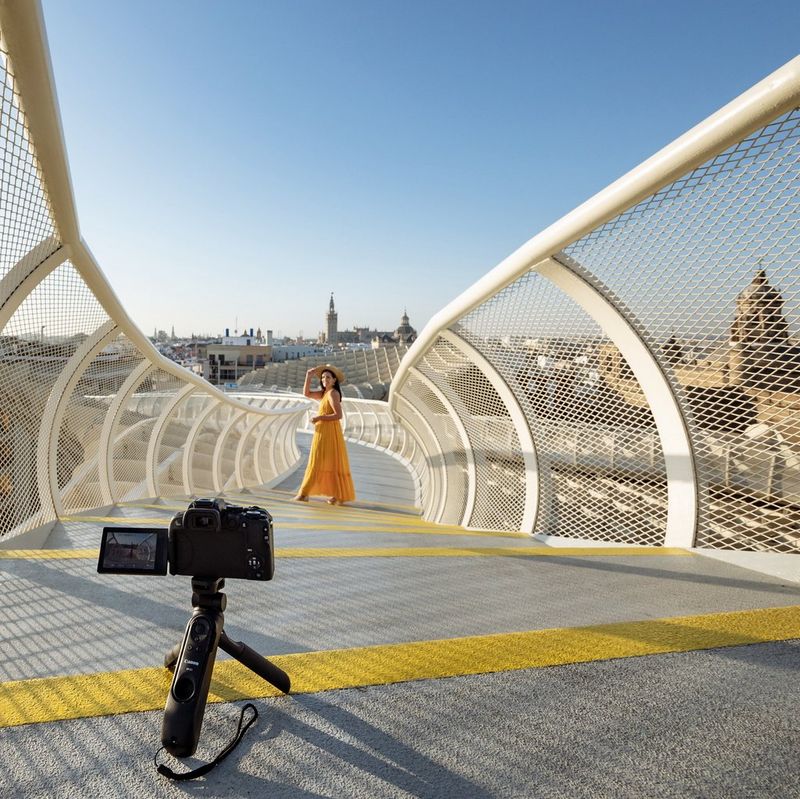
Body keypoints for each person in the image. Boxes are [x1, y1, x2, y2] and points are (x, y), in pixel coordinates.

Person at [293, 364, 356, 505]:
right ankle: (336, 495)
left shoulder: (333, 393)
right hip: (323, 432)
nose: (324, 380)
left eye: (328, 377)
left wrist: (319, 418)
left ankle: (304, 494)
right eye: (322, 377)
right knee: (327, 461)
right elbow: (307, 394)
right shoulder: (324, 394)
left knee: (317, 461)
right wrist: (308, 377)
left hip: (329, 433)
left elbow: (338, 415)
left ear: (334, 380)